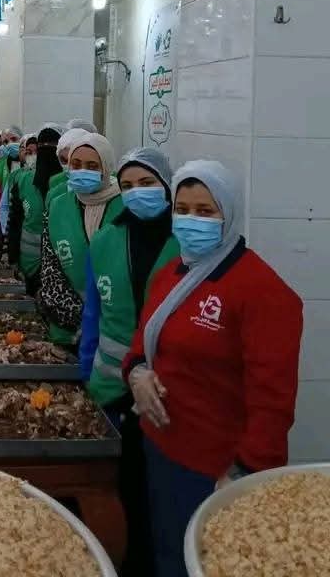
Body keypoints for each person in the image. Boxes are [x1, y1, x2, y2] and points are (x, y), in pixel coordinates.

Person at [123, 160, 303, 577]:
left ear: (229, 213)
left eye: (205, 211)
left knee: (206, 563)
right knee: (167, 554)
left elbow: (273, 401)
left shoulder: (261, 291)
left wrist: (244, 472)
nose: (191, 220)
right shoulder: (172, 274)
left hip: (215, 469)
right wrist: (137, 373)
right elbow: (142, 338)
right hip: (162, 450)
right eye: (182, 209)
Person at [80, 147, 178, 577]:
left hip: (169, 396)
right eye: (128, 186)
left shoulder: (187, 242)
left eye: (148, 183)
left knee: (163, 496)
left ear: (167, 186)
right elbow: (93, 317)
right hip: (111, 392)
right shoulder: (106, 240)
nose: (138, 193)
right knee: (120, 489)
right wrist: (86, 379)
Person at [38, 133, 123, 346]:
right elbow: (51, 269)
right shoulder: (58, 205)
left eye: (92, 166)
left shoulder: (124, 206)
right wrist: (80, 317)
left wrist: (99, 320)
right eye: (76, 165)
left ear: (106, 168)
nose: (82, 170)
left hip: (116, 325)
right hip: (67, 323)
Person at [7, 126, 61, 294]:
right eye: (42, 149)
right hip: (30, 262)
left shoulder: (68, 184)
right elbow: (15, 220)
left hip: (61, 266)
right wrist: (13, 257)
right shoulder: (23, 180)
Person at [0, 133, 37, 236]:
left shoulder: (44, 177)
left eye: (36, 152)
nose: (31, 155)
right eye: (27, 151)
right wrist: (7, 230)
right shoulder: (14, 175)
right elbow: (4, 206)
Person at [45, 127, 91, 209]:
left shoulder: (113, 187)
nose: (69, 166)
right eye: (64, 160)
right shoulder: (55, 190)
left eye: (75, 162)